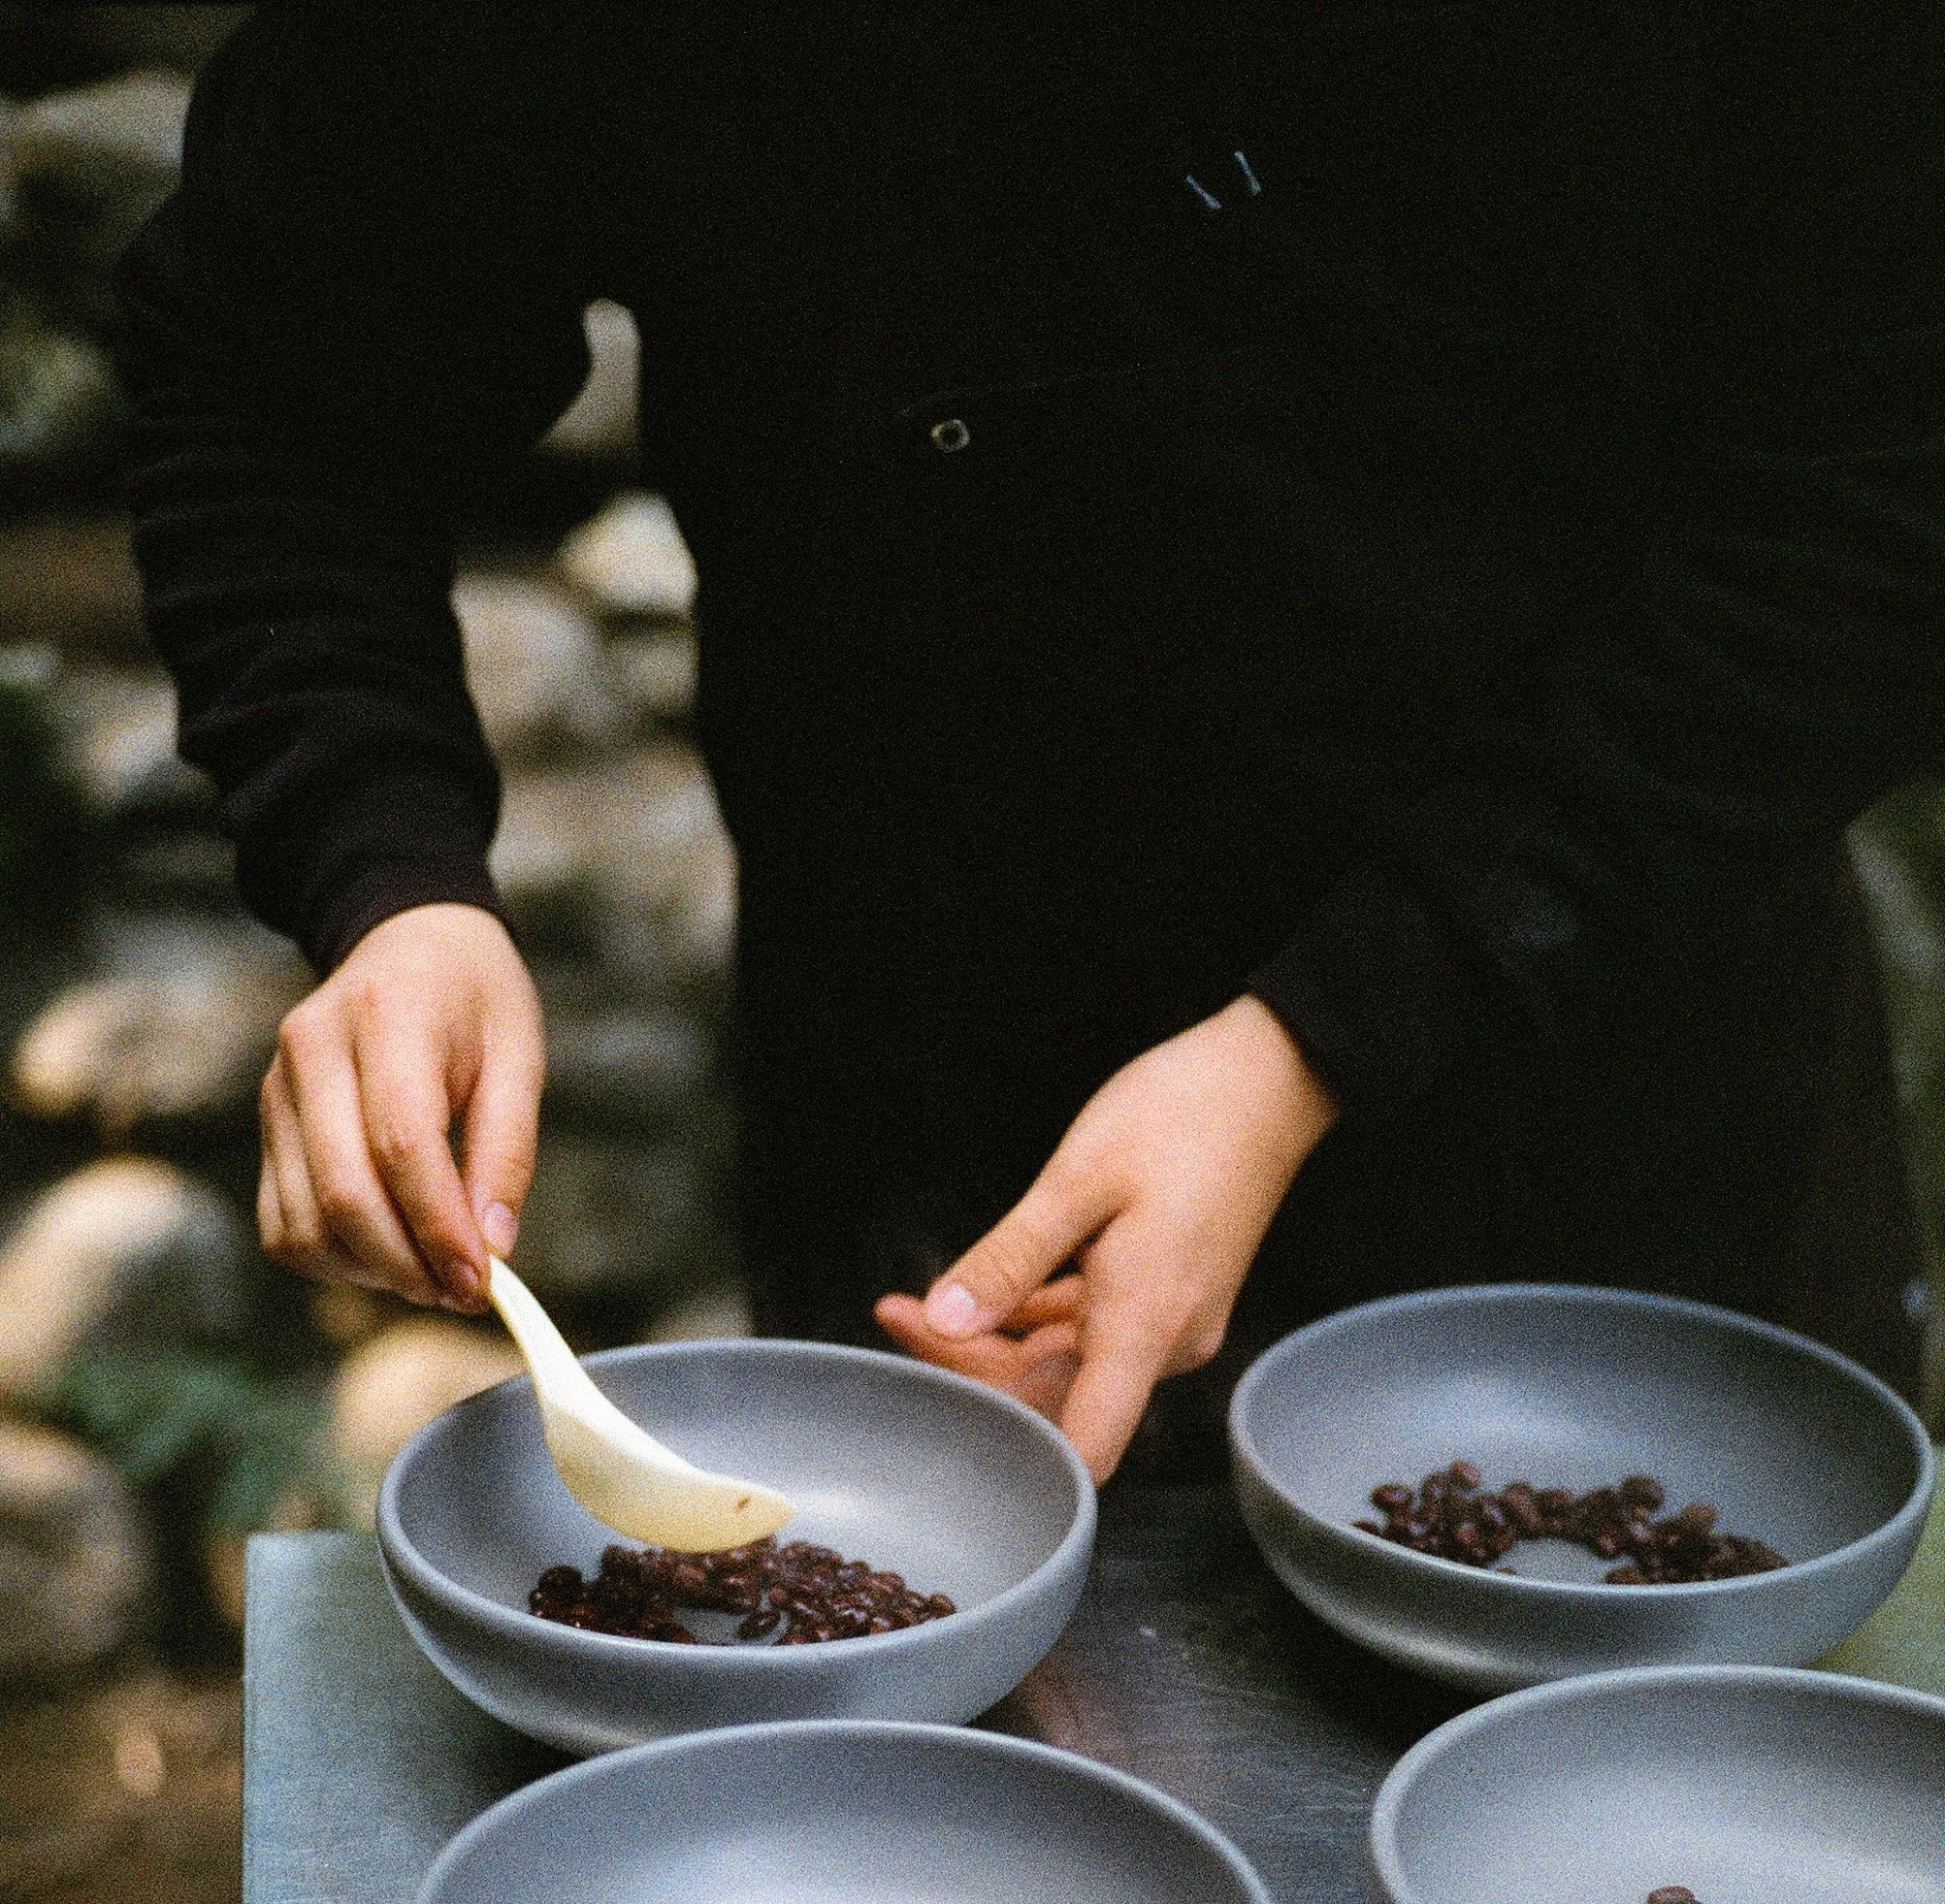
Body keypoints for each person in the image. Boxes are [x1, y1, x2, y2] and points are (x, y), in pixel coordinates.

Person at [116, 5, 1945, 1480]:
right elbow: (278, 376)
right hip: (950, 1180)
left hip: (1624, 1176)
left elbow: (1882, 487)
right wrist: (386, 874)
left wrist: (1332, 1029)